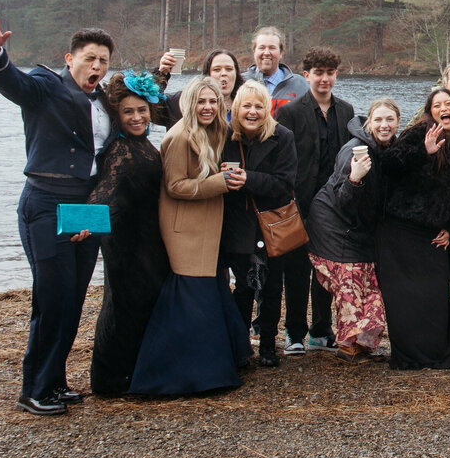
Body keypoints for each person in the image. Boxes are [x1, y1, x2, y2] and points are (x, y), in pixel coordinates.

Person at [0, 19, 114, 415]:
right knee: (51, 299)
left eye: (103, 61)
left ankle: (55, 381)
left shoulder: (103, 98)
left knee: (72, 300)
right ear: (70, 59)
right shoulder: (46, 85)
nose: (97, 66)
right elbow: (13, 84)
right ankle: (33, 389)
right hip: (46, 202)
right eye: (90, 58)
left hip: (85, 204)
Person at [130, 77, 252, 394]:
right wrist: (221, 183)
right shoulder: (179, 137)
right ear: (189, 104)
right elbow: (175, 186)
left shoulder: (215, 132)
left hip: (208, 227)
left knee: (211, 291)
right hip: (184, 229)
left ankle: (224, 361)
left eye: (213, 102)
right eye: (201, 102)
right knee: (191, 300)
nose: (208, 107)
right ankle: (185, 375)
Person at [85, 71, 172, 395]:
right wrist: (85, 223)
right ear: (117, 116)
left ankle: (134, 371)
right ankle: (110, 380)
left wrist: (162, 74)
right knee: (123, 305)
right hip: (125, 239)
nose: (136, 117)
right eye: (128, 112)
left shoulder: (142, 141)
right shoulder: (120, 150)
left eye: (141, 111)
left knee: (144, 303)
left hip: (147, 235)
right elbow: (104, 192)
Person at [277, 47, 356, 354]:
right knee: (296, 270)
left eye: (330, 72)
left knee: (326, 269)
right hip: (300, 200)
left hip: (334, 204)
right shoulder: (290, 112)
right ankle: (294, 332)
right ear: (306, 76)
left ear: (337, 74)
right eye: (318, 73)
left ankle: (321, 331)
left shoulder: (347, 111)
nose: (325, 79)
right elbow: (285, 158)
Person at [306, 99, 398, 364]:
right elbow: (344, 200)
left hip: (358, 227)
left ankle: (362, 343)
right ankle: (347, 345)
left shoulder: (389, 148)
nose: (384, 125)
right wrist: (355, 178)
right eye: (378, 120)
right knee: (351, 279)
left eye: (389, 120)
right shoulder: (354, 151)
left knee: (372, 282)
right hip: (332, 225)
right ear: (369, 121)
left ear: (397, 122)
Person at [378, 91, 450, 369]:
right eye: (437, 105)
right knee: (405, 298)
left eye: (448, 103)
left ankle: (438, 355)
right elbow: (388, 165)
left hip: (432, 233)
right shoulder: (419, 133)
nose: (443, 108)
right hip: (400, 229)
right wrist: (422, 152)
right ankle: (408, 357)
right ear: (430, 111)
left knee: (435, 294)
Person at [219, 80, 298, 367]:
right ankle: (241, 346)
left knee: (272, 286)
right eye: (246, 106)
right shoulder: (225, 136)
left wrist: (249, 179)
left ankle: (267, 344)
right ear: (236, 108)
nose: (252, 112)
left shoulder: (283, 136)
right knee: (242, 287)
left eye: (258, 106)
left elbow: (286, 183)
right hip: (236, 224)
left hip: (272, 224)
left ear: (267, 109)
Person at [163, 48, 243, 123]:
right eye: (217, 69)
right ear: (207, 75)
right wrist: (162, 74)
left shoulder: (246, 105)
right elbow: (154, 106)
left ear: (236, 73)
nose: (223, 73)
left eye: (229, 69)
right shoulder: (184, 101)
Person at [245, 26, 308, 116]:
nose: (266, 53)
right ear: (254, 51)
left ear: (281, 52)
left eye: (272, 48)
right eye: (262, 48)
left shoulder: (300, 85)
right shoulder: (240, 81)